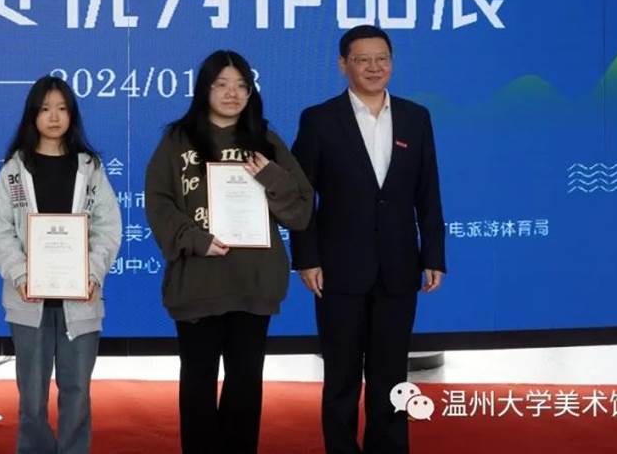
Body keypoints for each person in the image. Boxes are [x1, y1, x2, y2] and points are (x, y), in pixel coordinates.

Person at [145, 50, 313, 454]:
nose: (232, 93)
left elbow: (301, 209)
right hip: (199, 282)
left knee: (245, 384)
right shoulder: (177, 140)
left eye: (241, 85)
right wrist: (194, 238)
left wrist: (270, 175)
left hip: (253, 281)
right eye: (221, 84)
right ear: (204, 89)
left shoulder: (266, 142)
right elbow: (159, 202)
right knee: (198, 383)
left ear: (251, 92)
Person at [290, 25, 447, 454]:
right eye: (362, 60)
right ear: (343, 64)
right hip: (338, 269)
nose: (374, 67)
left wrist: (433, 254)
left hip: (399, 266)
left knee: (391, 376)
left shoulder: (416, 117)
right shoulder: (319, 119)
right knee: (341, 376)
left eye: (382, 59)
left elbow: (428, 191)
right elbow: (302, 196)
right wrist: (306, 257)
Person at [0, 75, 123, 454]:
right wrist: (21, 275)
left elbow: (108, 227)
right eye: (45, 109)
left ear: (72, 115)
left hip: (80, 299)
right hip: (27, 300)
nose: (53, 117)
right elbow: (0, 231)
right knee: (31, 398)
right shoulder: (14, 170)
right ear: (32, 115)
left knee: (77, 392)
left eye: (62, 109)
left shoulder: (89, 168)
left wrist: (92, 273)